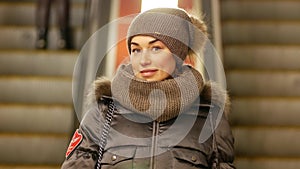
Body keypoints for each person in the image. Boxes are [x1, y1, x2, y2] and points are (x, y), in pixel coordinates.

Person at [61, 7, 235, 169]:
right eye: (136, 50)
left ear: (179, 53)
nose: (143, 60)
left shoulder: (211, 116)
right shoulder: (104, 112)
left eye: (156, 48)